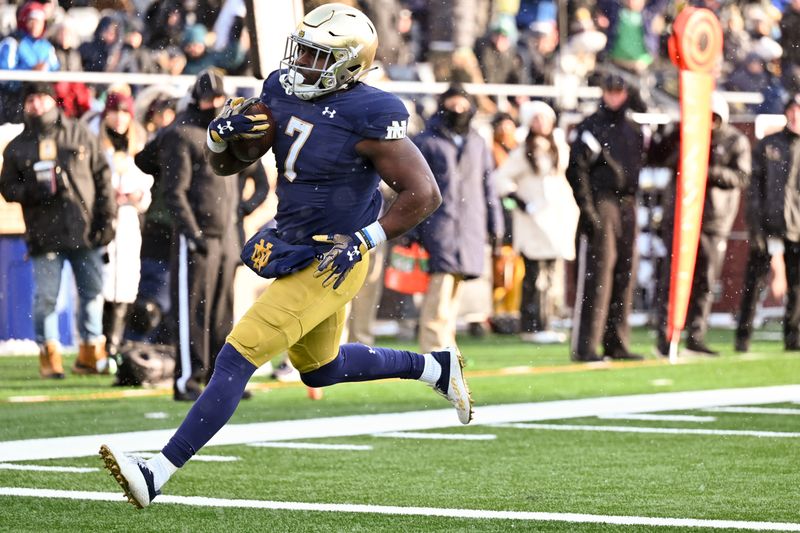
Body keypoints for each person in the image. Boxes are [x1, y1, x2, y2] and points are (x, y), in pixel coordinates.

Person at [100, 3, 471, 509]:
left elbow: (424, 193)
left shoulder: (370, 112)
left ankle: (157, 470)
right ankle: (435, 368)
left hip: (336, 254)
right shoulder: (279, 87)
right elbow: (233, 163)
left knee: (237, 354)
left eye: (317, 56)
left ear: (347, 64)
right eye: (302, 50)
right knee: (319, 368)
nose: (301, 62)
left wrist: (368, 238)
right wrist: (220, 141)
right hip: (294, 238)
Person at [0, 81, 116, 378]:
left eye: (41, 98)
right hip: (43, 233)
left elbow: (102, 177)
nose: (36, 105)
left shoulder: (79, 133)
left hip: (85, 229)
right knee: (47, 298)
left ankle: (90, 354)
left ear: (53, 100)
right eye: (30, 100)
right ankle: (48, 356)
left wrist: (107, 219)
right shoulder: (18, 145)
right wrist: (34, 191)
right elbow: (8, 189)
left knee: (92, 293)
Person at [158, 68, 240, 402]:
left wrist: (240, 213)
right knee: (193, 309)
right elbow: (174, 191)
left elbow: (256, 177)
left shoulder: (228, 130)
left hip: (226, 235)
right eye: (209, 98)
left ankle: (221, 379)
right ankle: (189, 379)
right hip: (199, 234)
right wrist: (192, 232)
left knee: (222, 310)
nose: (214, 104)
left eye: (218, 98)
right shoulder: (183, 132)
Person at [652, 94, 751, 357]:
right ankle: (666, 335)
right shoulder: (684, 135)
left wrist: (705, 171)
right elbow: (659, 158)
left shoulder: (734, 140)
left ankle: (696, 336)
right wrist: (675, 135)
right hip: (681, 217)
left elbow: (741, 176)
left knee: (705, 280)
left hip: (713, 219)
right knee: (672, 278)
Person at [412, 83, 504, 353]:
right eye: (452, 105)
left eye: (462, 105)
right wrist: (412, 227)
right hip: (438, 224)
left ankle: (446, 346)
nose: (458, 110)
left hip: (470, 225)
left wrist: (495, 224)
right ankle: (434, 349)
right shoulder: (427, 140)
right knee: (439, 292)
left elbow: (489, 186)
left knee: (454, 292)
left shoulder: (477, 141)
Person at [565, 73, 644, 362]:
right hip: (603, 201)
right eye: (609, 91)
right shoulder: (591, 126)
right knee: (597, 275)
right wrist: (588, 210)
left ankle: (616, 341)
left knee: (625, 273)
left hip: (627, 204)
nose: (614, 96)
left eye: (619, 91)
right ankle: (586, 345)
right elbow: (576, 170)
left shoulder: (634, 129)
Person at [493, 101, 578, 343]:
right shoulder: (523, 151)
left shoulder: (559, 146)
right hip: (533, 221)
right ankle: (532, 324)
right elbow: (501, 180)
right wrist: (520, 202)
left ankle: (546, 320)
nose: (541, 124)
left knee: (550, 276)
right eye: (536, 119)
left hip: (556, 219)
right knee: (534, 275)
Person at [88, 92, 153, 361]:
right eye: (116, 112)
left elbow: (146, 187)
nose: (120, 118)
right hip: (104, 220)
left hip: (128, 220)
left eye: (125, 113)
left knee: (126, 281)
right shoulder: (96, 145)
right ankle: (99, 343)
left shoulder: (137, 146)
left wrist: (137, 196)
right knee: (101, 282)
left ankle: (115, 342)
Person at [735, 93, 800, 352]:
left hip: (796, 227)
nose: (796, 115)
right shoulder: (768, 145)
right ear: (786, 113)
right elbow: (754, 190)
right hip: (767, 225)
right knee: (753, 283)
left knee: (797, 287)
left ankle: (793, 339)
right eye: (793, 110)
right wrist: (756, 226)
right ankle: (743, 337)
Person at [0, 1, 59, 123]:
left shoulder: (47, 47)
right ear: (24, 21)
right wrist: (29, 73)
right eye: (31, 20)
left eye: (39, 21)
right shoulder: (12, 43)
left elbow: (56, 73)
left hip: (41, 100)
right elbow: (4, 77)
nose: (35, 25)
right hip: (15, 100)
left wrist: (44, 73)